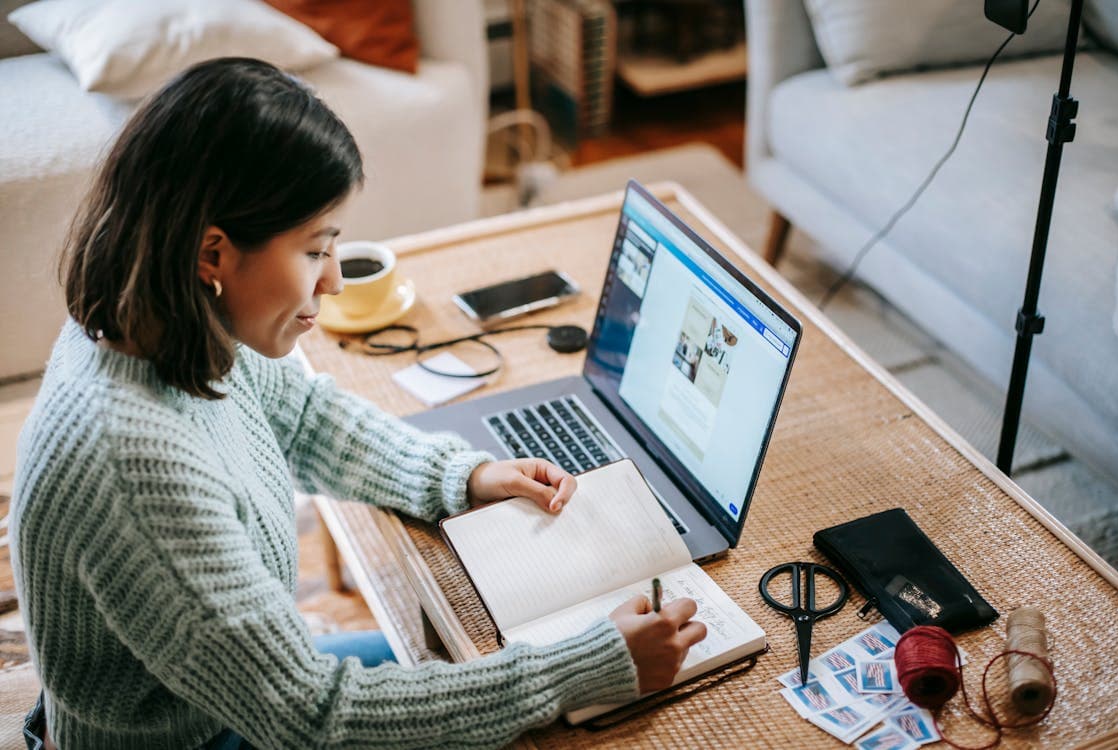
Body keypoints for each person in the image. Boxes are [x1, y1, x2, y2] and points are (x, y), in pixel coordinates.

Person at [10, 58, 706, 749]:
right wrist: (578, 671)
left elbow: (308, 420)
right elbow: (312, 717)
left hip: (222, 703)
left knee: (473, 649)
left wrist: (459, 477)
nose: (335, 279)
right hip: (191, 739)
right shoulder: (137, 465)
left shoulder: (168, 322)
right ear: (212, 253)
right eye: (315, 250)